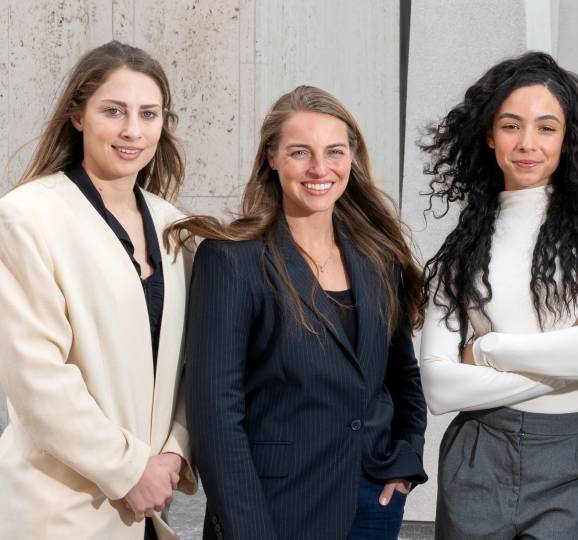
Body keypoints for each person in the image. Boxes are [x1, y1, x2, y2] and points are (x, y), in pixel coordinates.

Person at [173, 85, 427, 540]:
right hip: (275, 513)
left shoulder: (377, 257)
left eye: (334, 152)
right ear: (271, 157)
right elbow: (216, 418)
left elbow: (402, 377)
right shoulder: (232, 260)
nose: (319, 168)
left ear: (352, 158)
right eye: (299, 152)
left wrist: (404, 459)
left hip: (372, 507)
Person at [419, 51, 578, 539]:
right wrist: (572, 351)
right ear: (488, 134)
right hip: (480, 455)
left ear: (567, 139)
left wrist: (486, 350)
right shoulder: (462, 248)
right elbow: (440, 389)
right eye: (510, 125)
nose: (527, 143)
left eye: (546, 127)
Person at [0, 41, 195, 540]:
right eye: (114, 111)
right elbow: (37, 378)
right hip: (55, 512)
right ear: (78, 116)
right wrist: (129, 470)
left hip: (146, 511)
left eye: (149, 114)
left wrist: (173, 454)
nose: (132, 130)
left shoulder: (177, 229)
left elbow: (191, 363)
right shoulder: (27, 216)